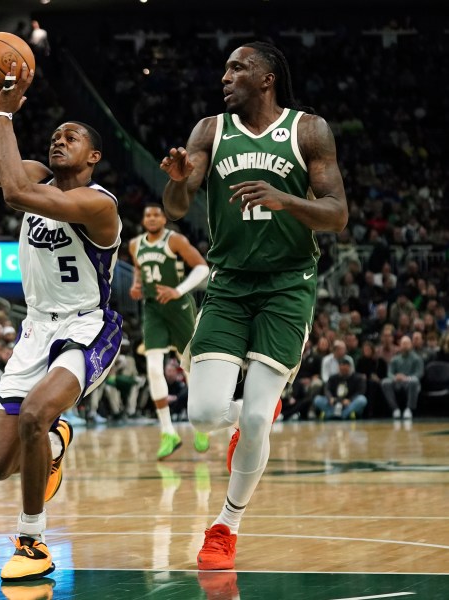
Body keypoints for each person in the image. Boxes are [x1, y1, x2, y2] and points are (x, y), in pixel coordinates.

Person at [160, 41, 347, 570]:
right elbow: (176, 208)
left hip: (288, 285)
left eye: (238, 68)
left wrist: (284, 199)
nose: (226, 76)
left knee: (260, 421)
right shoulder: (209, 130)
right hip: (229, 284)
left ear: (266, 79)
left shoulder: (308, 130)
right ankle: (249, 419)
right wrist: (176, 186)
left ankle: (225, 526)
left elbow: (336, 215)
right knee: (202, 413)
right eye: (224, 68)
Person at [0, 61, 123, 581]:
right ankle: (58, 434)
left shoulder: (98, 204)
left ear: (93, 156)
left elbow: (15, 194)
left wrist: (4, 113)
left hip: (87, 327)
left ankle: (31, 543)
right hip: (35, 330)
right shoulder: (39, 176)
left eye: (71, 136)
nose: (58, 139)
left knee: (32, 418)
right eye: (54, 134)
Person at [129, 203, 210, 459]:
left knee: (189, 368)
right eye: (148, 214)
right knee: (153, 367)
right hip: (153, 308)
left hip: (179, 306)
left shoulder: (175, 240)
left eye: (156, 214)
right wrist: (136, 285)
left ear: (164, 218)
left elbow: (202, 268)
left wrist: (178, 290)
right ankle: (168, 432)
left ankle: (200, 423)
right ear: (143, 220)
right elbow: (140, 270)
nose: (152, 218)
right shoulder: (135, 245)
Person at [382, 335, 424, 420]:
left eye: (407, 343)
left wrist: (407, 378)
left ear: (411, 345)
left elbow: (419, 373)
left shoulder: (417, 358)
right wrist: (395, 377)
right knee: (385, 382)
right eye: (403, 343)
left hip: (410, 382)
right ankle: (395, 409)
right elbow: (389, 373)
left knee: (414, 381)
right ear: (400, 345)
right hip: (397, 382)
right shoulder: (395, 359)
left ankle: (409, 409)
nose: (405, 345)